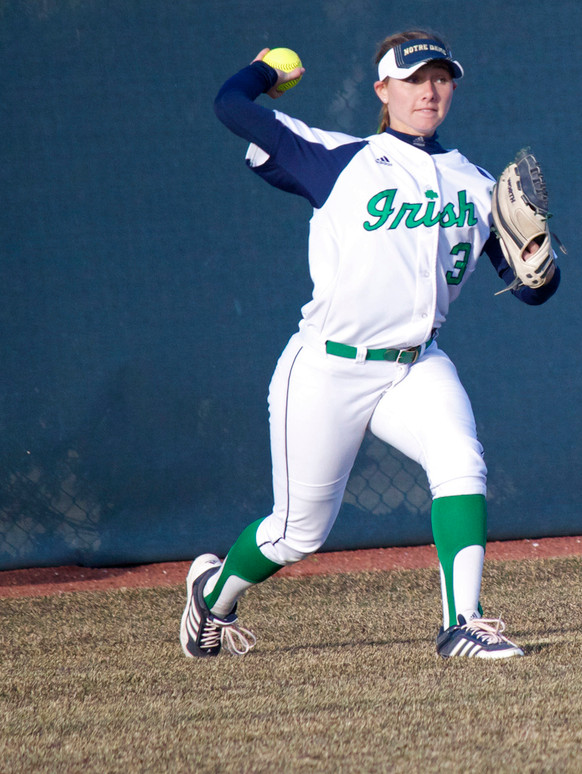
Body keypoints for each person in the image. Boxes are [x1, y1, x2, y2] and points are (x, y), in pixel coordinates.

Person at [179, 30, 560, 660]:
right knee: (297, 534)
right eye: (413, 79)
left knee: (461, 460)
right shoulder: (335, 157)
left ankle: (463, 623)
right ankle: (213, 597)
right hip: (329, 365)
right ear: (383, 90)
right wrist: (263, 72)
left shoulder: (477, 183)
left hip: (415, 364)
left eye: (440, 77)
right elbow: (230, 106)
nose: (429, 90)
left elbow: (526, 290)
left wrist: (540, 267)